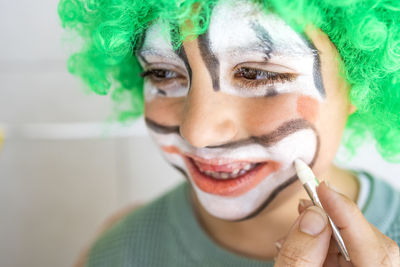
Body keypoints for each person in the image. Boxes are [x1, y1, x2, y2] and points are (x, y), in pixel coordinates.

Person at [58, 0, 400, 266]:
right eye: (162, 73)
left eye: (256, 73)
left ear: (358, 81)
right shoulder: (122, 251)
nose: (198, 132)